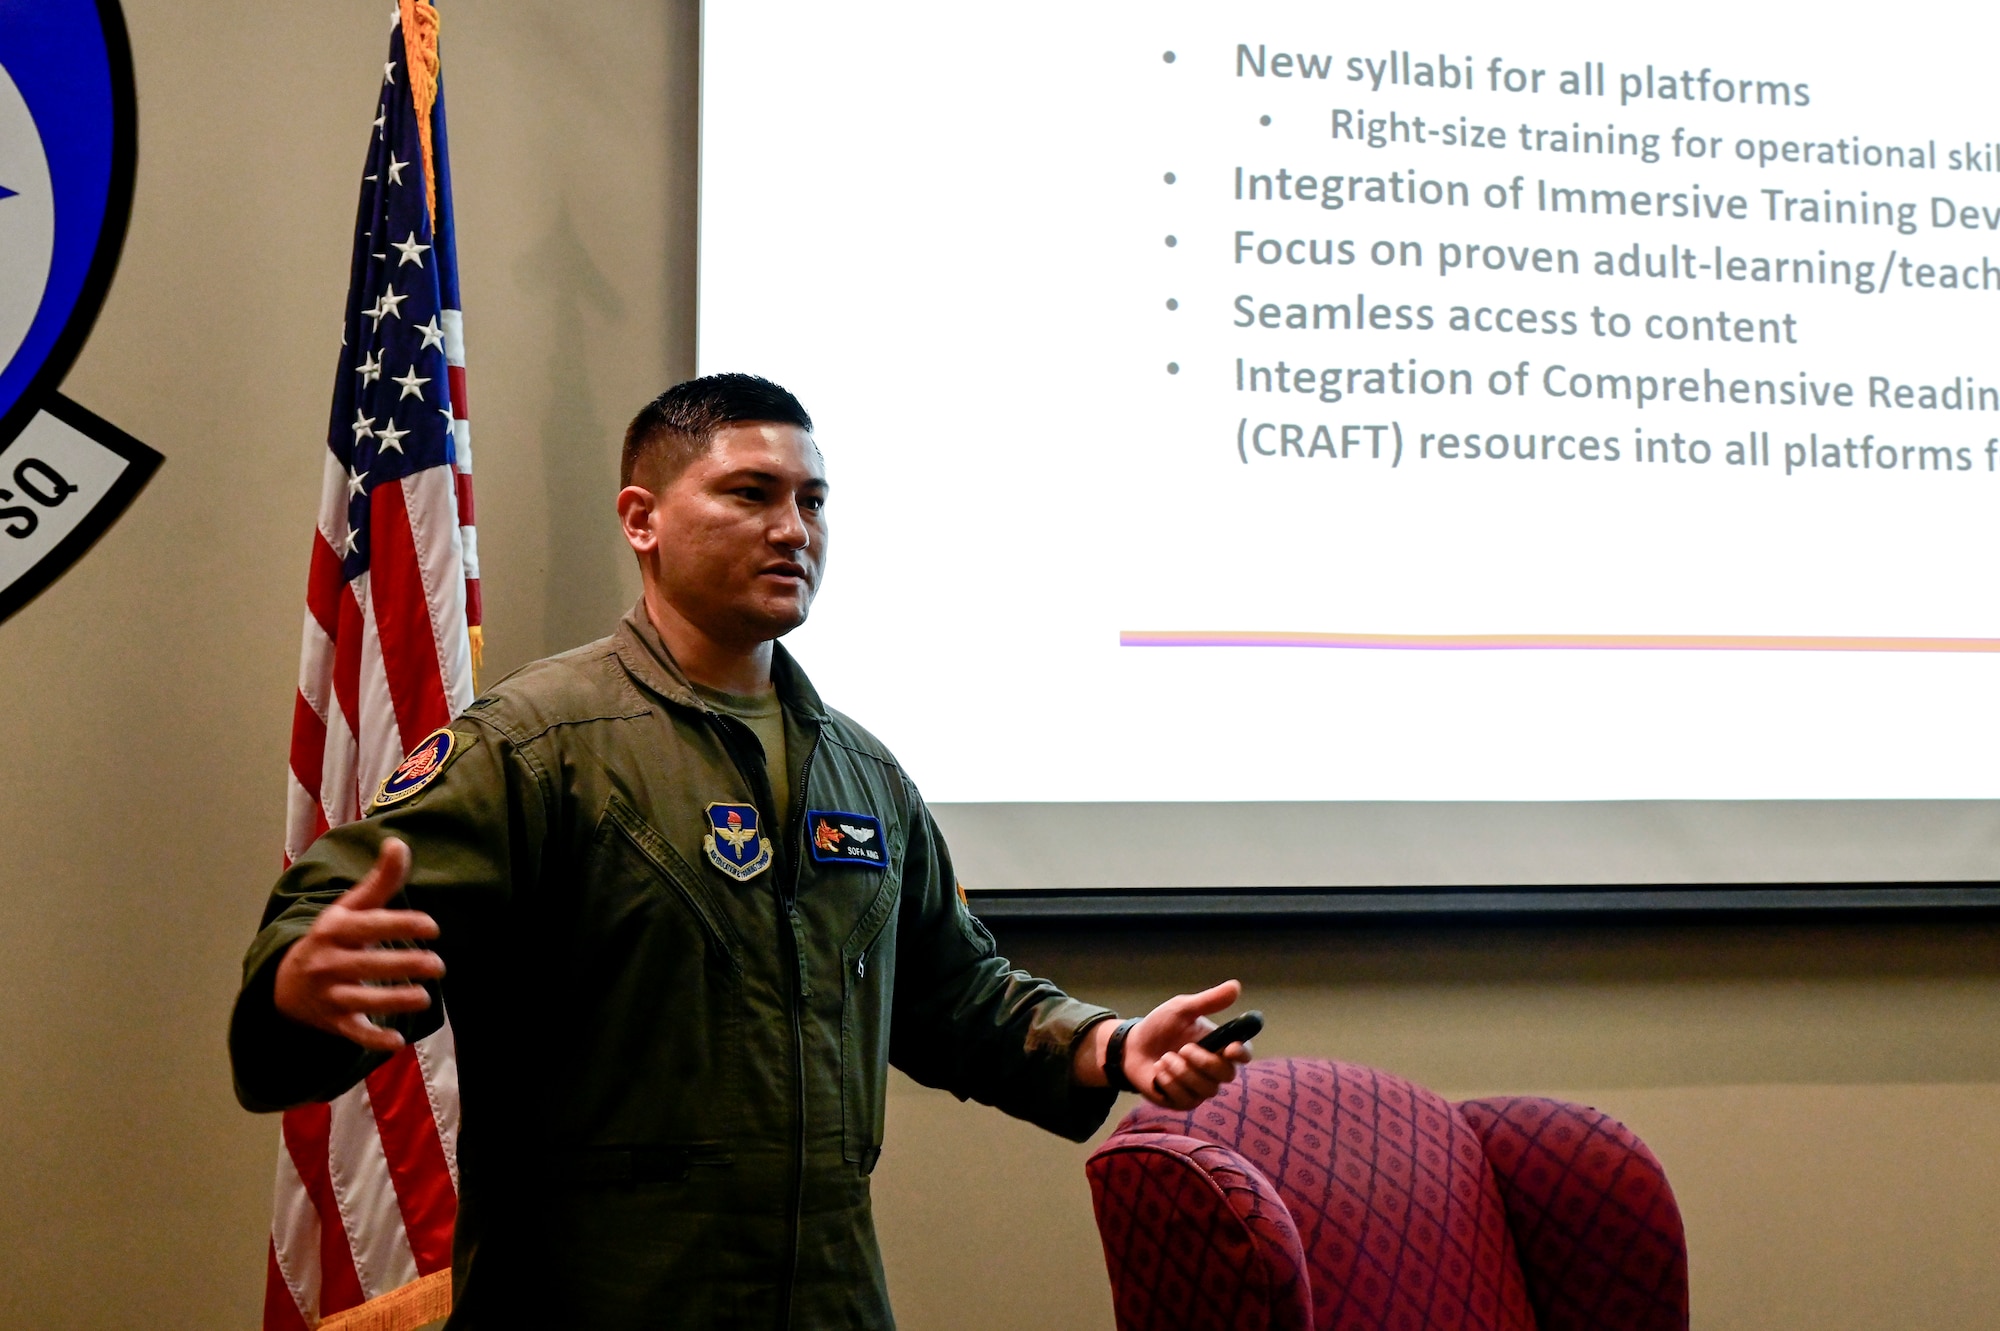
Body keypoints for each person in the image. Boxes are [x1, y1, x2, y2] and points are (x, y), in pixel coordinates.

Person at [230, 373, 1253, 1329]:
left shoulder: (861, 770)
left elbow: (954, 993)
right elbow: (335, 923)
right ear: (642, 519)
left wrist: (1112, 1044)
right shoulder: (535, 745)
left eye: (812, 500)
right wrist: (297, 987)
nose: (791, 528)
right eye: (750, 493)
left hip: (826, 1300)